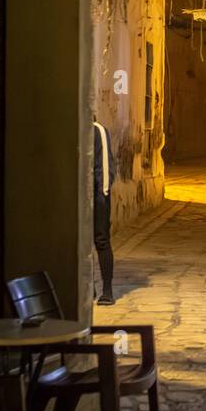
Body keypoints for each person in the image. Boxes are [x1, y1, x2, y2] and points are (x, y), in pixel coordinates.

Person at [93, 118, 115, 305]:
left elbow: (105, 165)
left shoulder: (97, 130)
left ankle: (107, 290)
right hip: (75, 198)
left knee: (101, 240)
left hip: (97, 196)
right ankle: (87, 287)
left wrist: (103, 194)